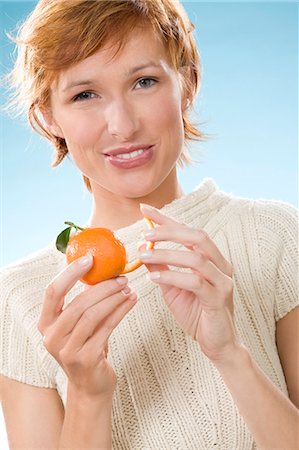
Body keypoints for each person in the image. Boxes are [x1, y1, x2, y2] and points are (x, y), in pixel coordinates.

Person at [0, 0, 298, 448]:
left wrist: (231, 355)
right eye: (84, 95)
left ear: (188, 85)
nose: (121, 125)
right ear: (47, 116)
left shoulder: (276, 234)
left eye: (144, 82)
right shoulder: (20, 297)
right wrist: (87, 393)